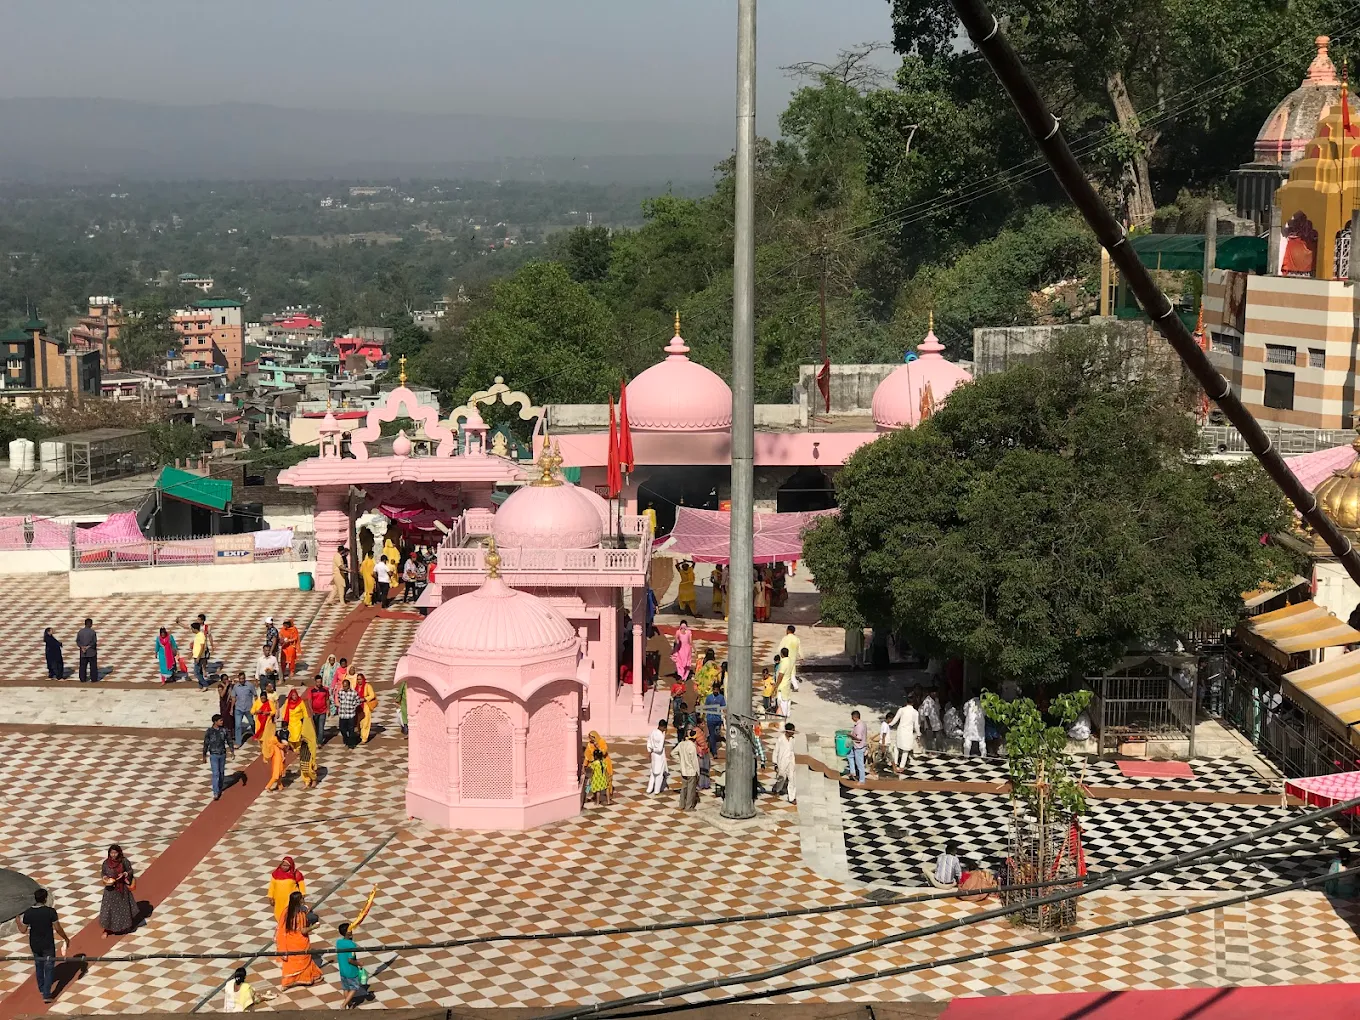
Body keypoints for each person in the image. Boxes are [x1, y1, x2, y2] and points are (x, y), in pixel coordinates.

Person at [16, 888, 68, 1004]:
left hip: (34, 944)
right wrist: (66, 938)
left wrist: (18, 921)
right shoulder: (50, 912)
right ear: (45, 899)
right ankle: (46, 994)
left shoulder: (29, 913)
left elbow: (23, 930)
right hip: (47, 944)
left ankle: (41, 987)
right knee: (49, 968)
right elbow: (58, 928)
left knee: (39, 965)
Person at [276, 891, 322, 988]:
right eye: (302, 898)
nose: (303, 899)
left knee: (292, 962)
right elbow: (303, 931)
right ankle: (305, 979)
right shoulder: (299, 915)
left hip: (289, 941)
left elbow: (281, 927)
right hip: (300, 941)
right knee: (303, 961)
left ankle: (289, 981)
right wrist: (314, 927)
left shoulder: (286, 911)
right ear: (299, 900)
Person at [99, 845, 138, 936]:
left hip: (121, 889)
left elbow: (130, 871)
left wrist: (124, 874)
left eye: (115, 853)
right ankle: (107, 929)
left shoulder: (124, 861)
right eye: (111, 853)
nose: (113, 855)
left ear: (119, 852)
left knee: (123, 909)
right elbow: (103, 872)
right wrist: (104, 877)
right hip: (110, 891)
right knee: (108, 910)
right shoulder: (106, 863)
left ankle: (125, 927)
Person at [336, 922, 369, 1008]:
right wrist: (359, 963)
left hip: (342, 970)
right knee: (354, 988)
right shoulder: (352, 945)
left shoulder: (339, 942)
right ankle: (344, 1005)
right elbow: (350, 960)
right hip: (351, 971)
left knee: (346, 988)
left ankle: (349, 1003)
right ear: (348, 933)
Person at [203, 713, 235, 801]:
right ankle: (215, 792)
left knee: (221, 773)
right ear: (215, 722)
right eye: (220, 720)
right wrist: (204, 755)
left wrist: (232, 751)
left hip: (222, 754)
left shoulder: (224, 730)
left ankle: (219, 787)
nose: (222, 722)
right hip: (213, 755)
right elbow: (206, 743)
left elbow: (229, 741)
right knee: (215, 773)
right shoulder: (209, 731)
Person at [889, 693, 923, 774]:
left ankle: (896, 762)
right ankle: (901, 766)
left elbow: (895, 720)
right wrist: (918, 734)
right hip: (908, 732)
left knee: (897, 747)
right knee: (906, 750)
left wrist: (888, 725)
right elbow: (916, 725)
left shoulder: (901, 710)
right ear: (914, 703)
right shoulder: (915, 712)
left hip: (901, 731)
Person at [583, 731, 613, 806]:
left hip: (597, 771)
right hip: (601, 772)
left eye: (591, 737)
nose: (590, 739)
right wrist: (584, 765)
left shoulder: (601, 741)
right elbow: (587, 756)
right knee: (603, 785)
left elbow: (604, 751)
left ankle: (589, 796)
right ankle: (606, 799)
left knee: (590, 783)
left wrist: (598, 747)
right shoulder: (589, 745)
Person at [227, 673, 255, 748]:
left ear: (245, 678)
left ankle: (255, 734)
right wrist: (231, 709)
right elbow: (233, 698)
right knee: (238, 725)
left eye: (243, 679)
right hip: (238, 709)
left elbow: (255, 695)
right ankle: (238, 742)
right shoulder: (236, 687)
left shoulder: (250, 685)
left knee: (252, 722)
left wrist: (256, 707)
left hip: (248, 708)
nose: (242, 680)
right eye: (240, 679)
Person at [675, 727, 700, 810]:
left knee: (683, 788)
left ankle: (681, 805)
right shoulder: (692, 747)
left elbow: (673, 753)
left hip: (683, 770)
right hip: (691, 772)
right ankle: (688, 807)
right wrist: (698, 773)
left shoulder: (681, 744)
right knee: (691, 790)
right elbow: (695, 762)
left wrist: (680, 760)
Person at [260, 714, 286, 792]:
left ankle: (280, 785)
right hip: (277, 756)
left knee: (279, 770)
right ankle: (268, 786)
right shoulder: (273, 739)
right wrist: (285, 745)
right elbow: (280, 746)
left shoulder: (267, 739)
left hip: (275, 756)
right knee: (277, 772)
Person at [772, 721, 797, 803]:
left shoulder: (793, 740)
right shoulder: (780, 739)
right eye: (792, 730)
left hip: (790, 762)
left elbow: (792, 751)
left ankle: (792, 798)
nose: (793, 732)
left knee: (792, 779)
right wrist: (775, 763)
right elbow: (776, 751)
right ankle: (777, 789)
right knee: (782, 777)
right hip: (782, 762)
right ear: (788, 731)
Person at [646, 719, 669, 794]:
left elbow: (649, 742)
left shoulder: (653, 732)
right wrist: (654, 749)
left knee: (653, 773)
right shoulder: (661, 736)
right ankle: (656, 790)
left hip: (653, 755)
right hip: (659, 756)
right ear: (663, 727)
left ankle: (649, 789)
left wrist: (650, 751)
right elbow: (659, 749)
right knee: (659, 774)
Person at [297, 710, 319, 788]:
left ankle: (314, 779)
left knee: (310, 768)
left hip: (309, 751)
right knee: (303, 767)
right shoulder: (298, 724)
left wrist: (304, 739)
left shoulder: (308, 726)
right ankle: (306, 781)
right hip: (303, 751)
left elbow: (311, 739)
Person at [337, 678, 361, 748]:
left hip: (350, 714)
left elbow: (358, 701)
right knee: (342, 729)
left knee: (351, 730)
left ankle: (351, 744)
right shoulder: (340, 692)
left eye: (346, 686)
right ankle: (346, 739)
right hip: (342, 714)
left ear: (349, 686)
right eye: (343, 686)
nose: (344, 687)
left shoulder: (354, 693)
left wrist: (353, 706)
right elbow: (338, 698)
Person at [355, 672, 378, 743]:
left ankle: (364, 738)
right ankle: (361, 735)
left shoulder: (367, 686)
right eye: (358, 679)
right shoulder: (355, 687)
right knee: (359, 722)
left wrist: (364, 698)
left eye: (360, 679)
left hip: (365, 705)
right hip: (357, 707)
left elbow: (372, 695)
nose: (359, 681)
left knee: (366, 722)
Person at [281, 686, 306, 752]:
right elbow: (284, 710)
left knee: (297, 736)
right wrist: (284, 720)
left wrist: (306, 719)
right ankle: (293, 747)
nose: (294, 696)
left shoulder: (300, 702)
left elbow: (304, 711)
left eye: (295, 695)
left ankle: (298, 748)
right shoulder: (288, 702)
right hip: (290, 722)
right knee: (291, 737)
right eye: (293, 695)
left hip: (298, 722)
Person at [920, 686, 944, 752]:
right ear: (930, 693)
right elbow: (926, 715)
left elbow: (939, 710)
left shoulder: (936, 700)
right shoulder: (927, 702)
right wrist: (929, 725)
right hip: (929, 723)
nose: (935, 694)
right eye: (934, 692)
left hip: (937, 722)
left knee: (939, 737)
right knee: (930, 739)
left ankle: (939, 750)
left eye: (936, 692)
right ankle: (929, 751)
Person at [704, 683, 726, 750]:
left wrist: (725, 716)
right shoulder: (709, 697)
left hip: (718, 719)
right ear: (712, 690)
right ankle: (714, 751)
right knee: (712, 734)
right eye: (714, 690)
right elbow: (706, 706)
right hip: (710, 718)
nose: (715, 691)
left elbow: (723, 707)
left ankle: (712, 743)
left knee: (717, 733)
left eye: (717, 690)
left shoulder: (721, 697)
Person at [778, 625, 801, 690]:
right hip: (793, 658)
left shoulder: (785, 638)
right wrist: (801, 656)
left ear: (788, 631)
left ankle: (793, 685)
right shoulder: (797, 639)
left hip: (786, 657)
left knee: (784, 671)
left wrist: (779, 656)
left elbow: (780, 648)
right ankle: (795, 685)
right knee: (792, 672)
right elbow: (799, 648)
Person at [308, 674, 330, 742]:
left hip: (323, 711)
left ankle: (320, 742)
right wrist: (311, 710)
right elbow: (309, 700)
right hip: (315, 711)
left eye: (320, 682)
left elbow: (327, 699)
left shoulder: (325, 690)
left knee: (321, 727)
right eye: (317, 682)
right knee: (316, 726)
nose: (319, 683)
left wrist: (328, 709)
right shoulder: (311, 690)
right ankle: (317, 737)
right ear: (315, 682)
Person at [848, 710, 868, 783]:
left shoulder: (859, 726)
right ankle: (853, 772)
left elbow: (859, 738)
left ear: (855, 717)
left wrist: (851, 736)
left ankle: (862, 780)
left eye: (852, 717)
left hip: (859, 747)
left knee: (860, 764)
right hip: (856, 745)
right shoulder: (862, 723)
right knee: (849, 755)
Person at [76, 617, 97, 683]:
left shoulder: (80, 631)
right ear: (90, 624)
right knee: (93, 666)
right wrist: (88, 647)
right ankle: (93, 678)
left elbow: (78, 641)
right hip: (91, 652)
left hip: (83, 652)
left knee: (82, 666)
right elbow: (94, 642)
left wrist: (82, 647)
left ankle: (82, 678)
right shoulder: (92, 632)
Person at [191, 622, 211, 688]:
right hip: (196, 656)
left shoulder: (201, 635)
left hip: (199, 657)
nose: (191, 630)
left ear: (195, 629)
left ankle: (205, 684)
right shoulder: (197, 635)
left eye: (192, 628)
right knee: (199, 671)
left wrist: (198, 657)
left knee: (196, 673)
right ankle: (201, 686)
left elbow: (202, 647)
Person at [775, 648, 794, 718]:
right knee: (787, 700)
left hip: (782, 686)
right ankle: (787, 715)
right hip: (787, 684)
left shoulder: (783, 663)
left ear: (781, 654)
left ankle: (783, 716)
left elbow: (780, 675)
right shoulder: (789, 661)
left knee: (782, 701)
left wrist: (776, 685)